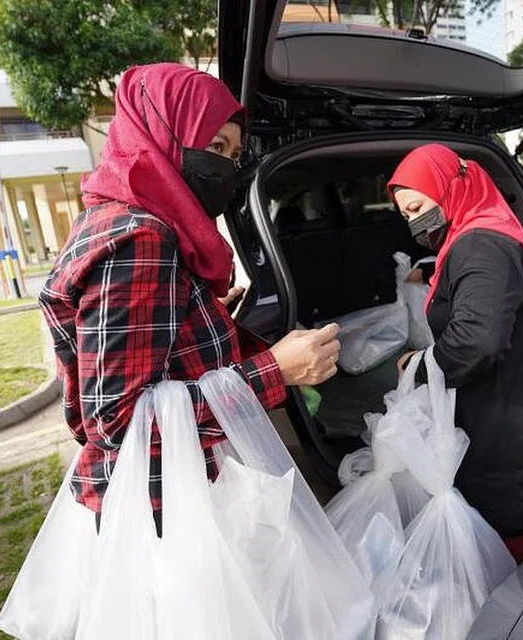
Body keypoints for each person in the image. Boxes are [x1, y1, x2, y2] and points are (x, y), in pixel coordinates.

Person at [39, 63, 340, 537]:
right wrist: (274, 371)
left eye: (234, 154)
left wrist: (202, 316)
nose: (226, 168)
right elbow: (119, 423)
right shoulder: (141, 240)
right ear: (163, 135)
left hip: (168, 497)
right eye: (215, 147)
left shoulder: (111, 217)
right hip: (167, 514)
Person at [388, 143, 523, 560]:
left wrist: (419, 366)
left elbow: (477, 341)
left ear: (450, 188)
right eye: (406, 215)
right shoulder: (479, 234)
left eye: (417, 208)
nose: (414, 222)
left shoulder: (480, 245)